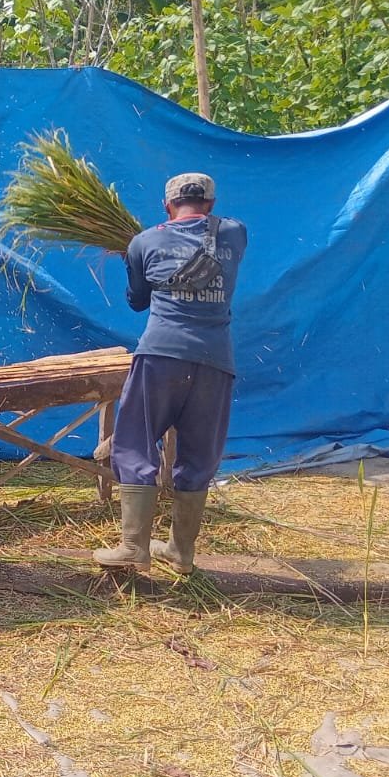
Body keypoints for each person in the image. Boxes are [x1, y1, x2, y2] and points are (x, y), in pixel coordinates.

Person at [95, 173, 246, 574]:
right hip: (215, 361)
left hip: (162, 354)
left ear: (167, 205)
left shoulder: (144, 241)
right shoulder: (234, 233)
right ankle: (182, 553)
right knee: (199, 453)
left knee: (134, 440)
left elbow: (137, 302)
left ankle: (134, 547)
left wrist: (133, 259)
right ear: (210, 204)